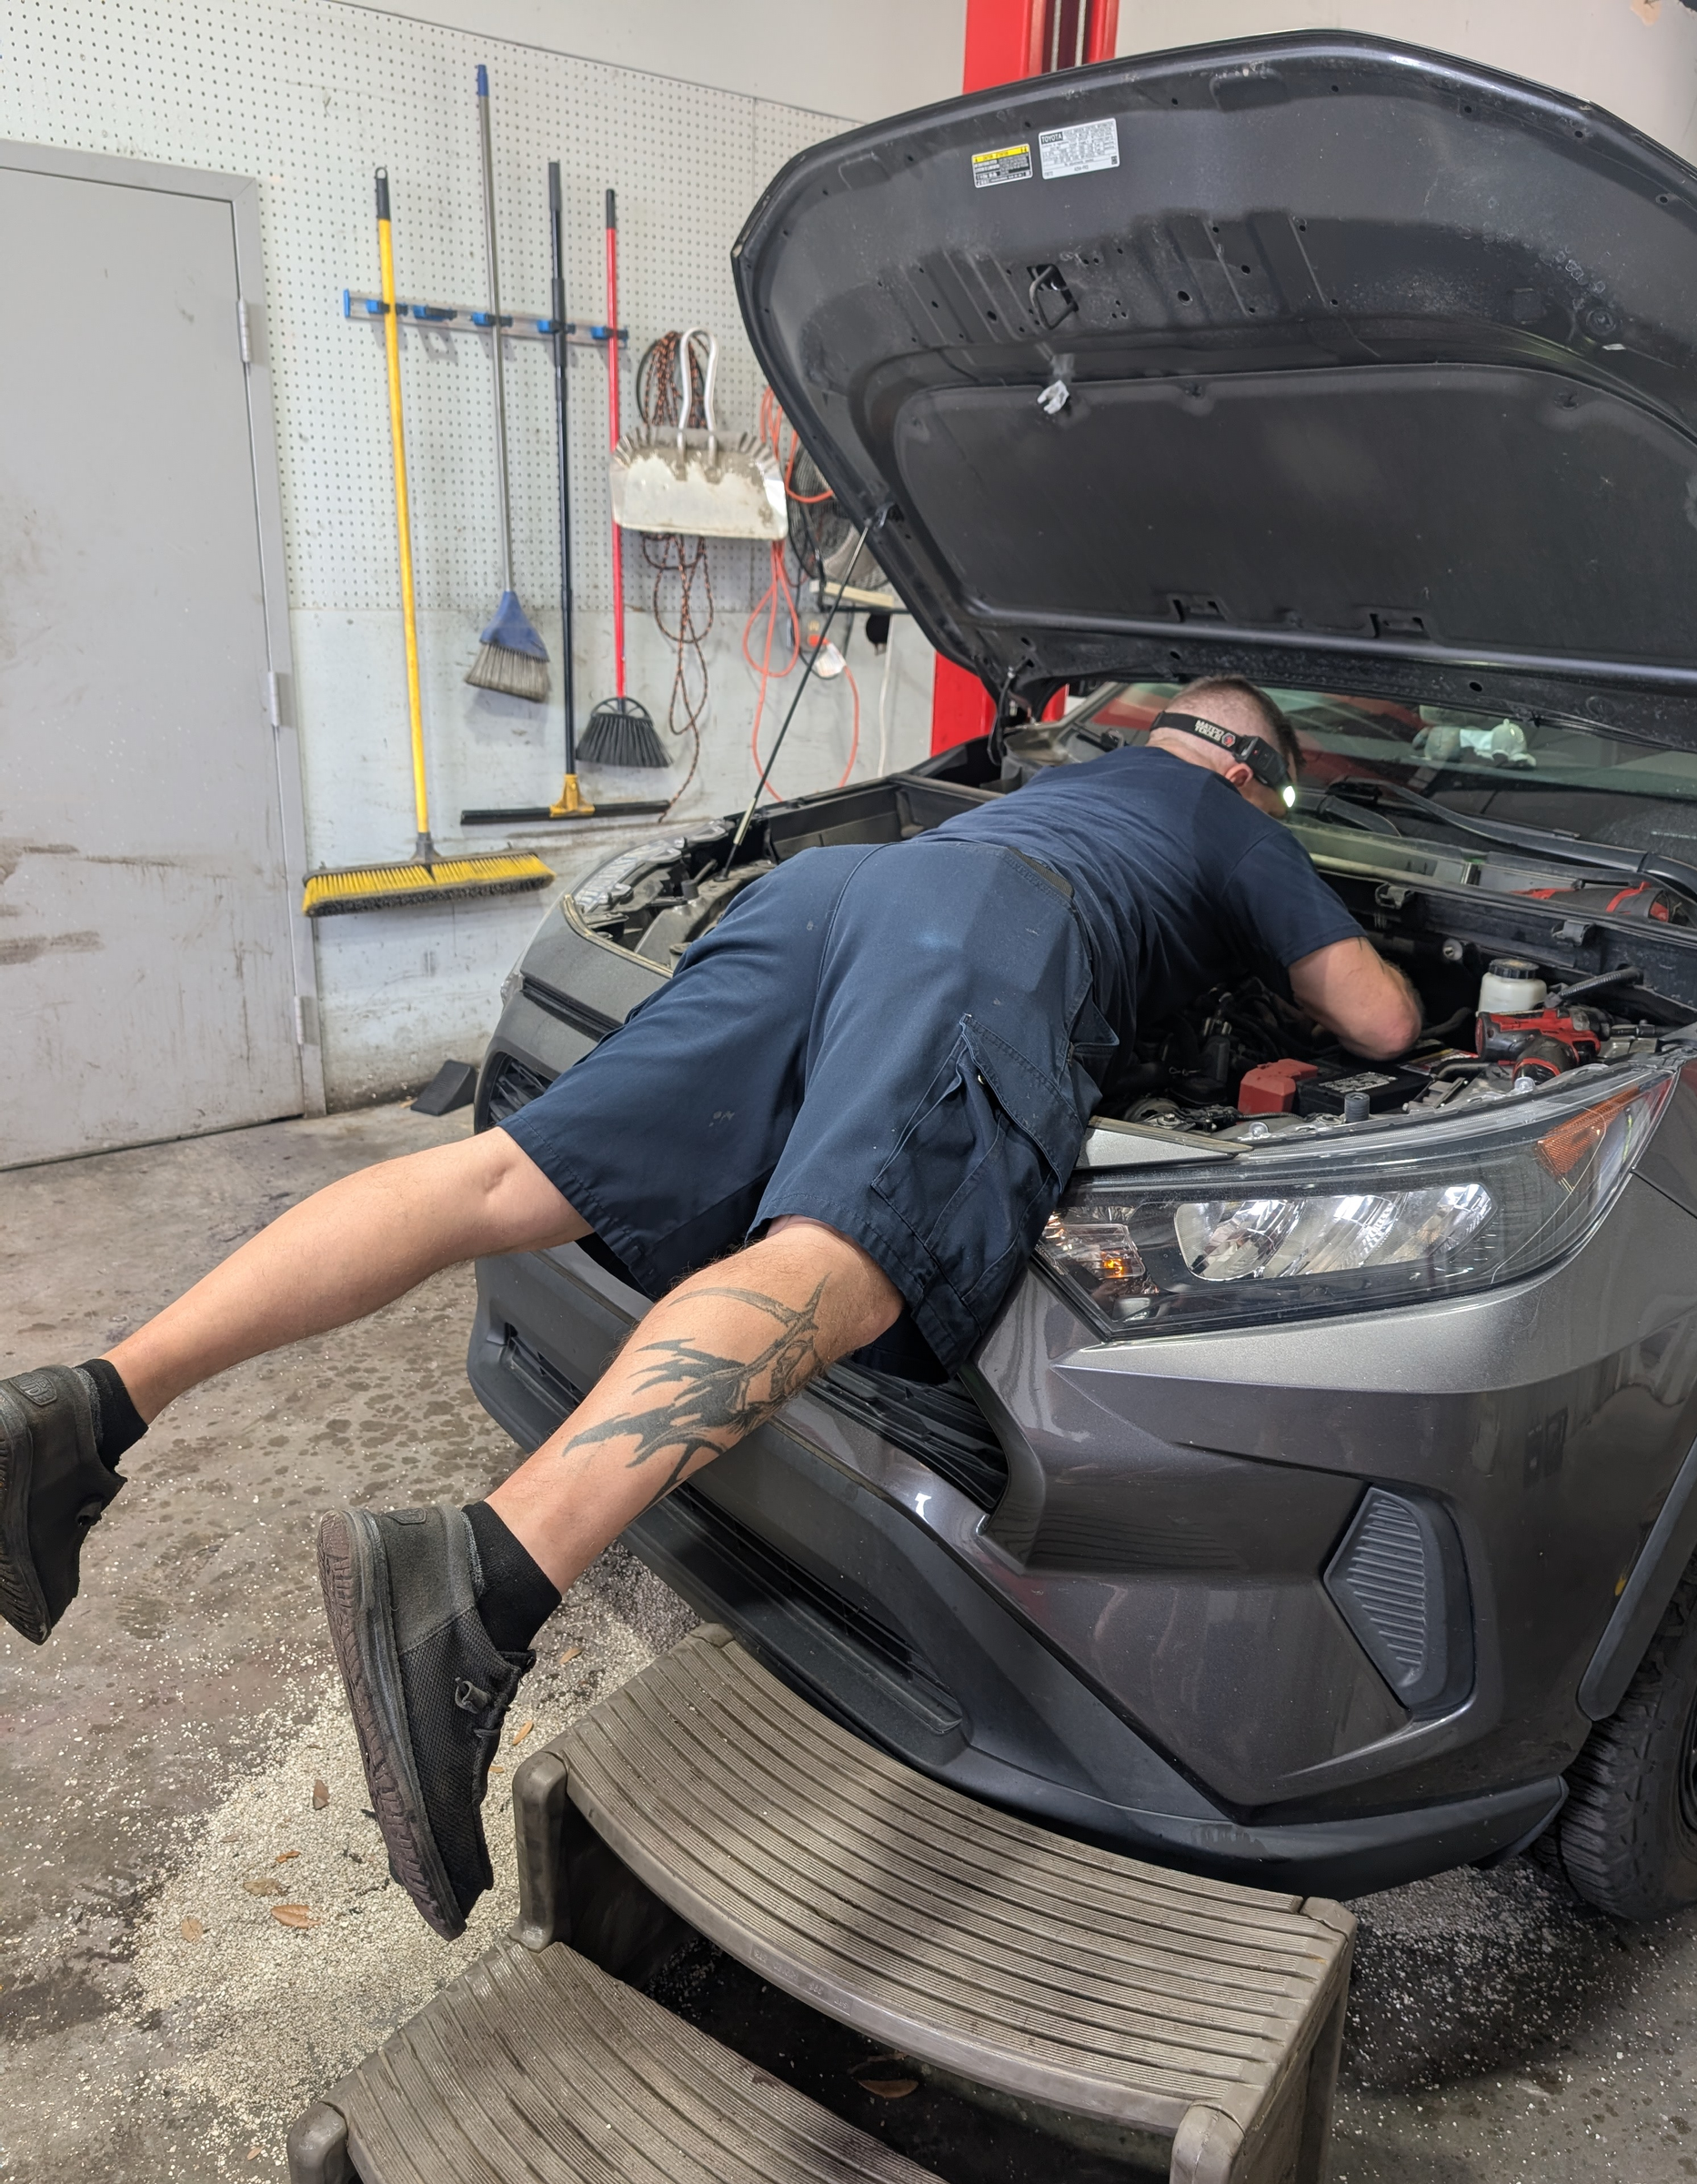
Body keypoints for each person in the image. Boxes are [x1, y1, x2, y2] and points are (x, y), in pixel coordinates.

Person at [0, 674, 1419, 1938]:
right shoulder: (1238, 822)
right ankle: (477, 1586)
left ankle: (83, 1410)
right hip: (982, 937)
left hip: (835, 895)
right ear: (1245, 761)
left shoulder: (1063, 781)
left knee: (500, 1178)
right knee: (838, 1260)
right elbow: (1381, 1025)